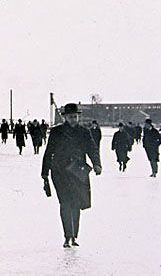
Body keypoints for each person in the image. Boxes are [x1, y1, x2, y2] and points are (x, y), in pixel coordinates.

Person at [41, 103, 102, 248]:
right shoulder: (56, 132)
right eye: (70, 117)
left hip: (77, 172)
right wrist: (44, 173)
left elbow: (92, 149)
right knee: (65, 203)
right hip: (60, 172)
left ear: (78, 116)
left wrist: (97, 164)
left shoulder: (84, 132)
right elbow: (49, 152)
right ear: (65, 117)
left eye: (75, 116)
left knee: (76, 204)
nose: (73, 119)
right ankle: (67, 236)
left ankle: (74, 236)